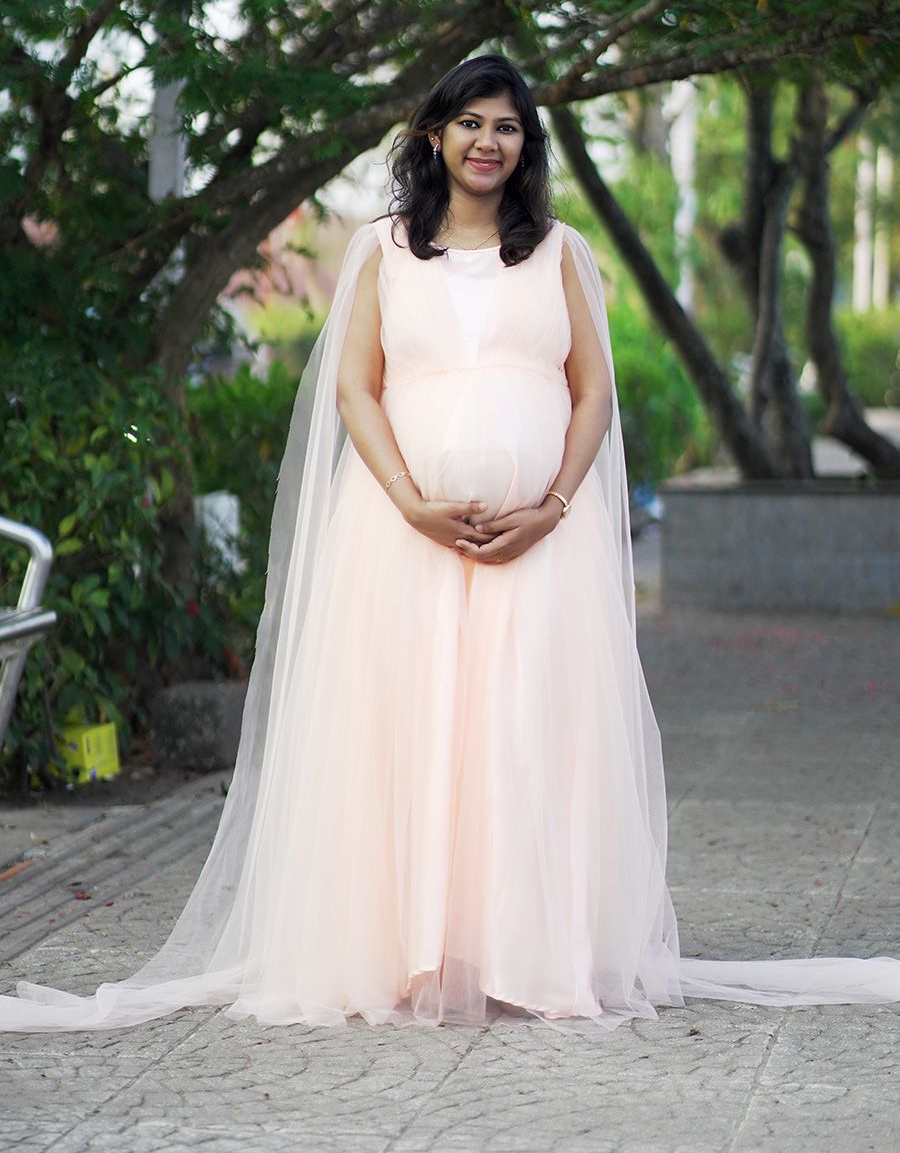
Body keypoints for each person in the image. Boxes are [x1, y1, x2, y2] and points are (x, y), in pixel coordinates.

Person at [1, 55, 898, 1034]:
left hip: (542, 545)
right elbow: (356, 389)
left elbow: (593, 393)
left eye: (506, 127)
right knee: (417, 734)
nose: (486, 141)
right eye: (469, 122)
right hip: (403, 539)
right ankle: (417, 949)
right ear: (434, 134)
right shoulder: (384, 249)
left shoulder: (562, 252)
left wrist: (553, 505)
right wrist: (411, 503)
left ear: (526, 146)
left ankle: (531, 948)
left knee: (526, 734)